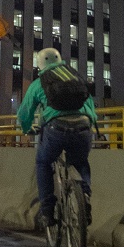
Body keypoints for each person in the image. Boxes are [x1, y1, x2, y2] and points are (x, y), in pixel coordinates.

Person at [16, 48, 97, 228]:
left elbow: (24, 112)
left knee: (43, 162)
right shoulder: (76, 77)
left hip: (56, 129)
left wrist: (26, 129)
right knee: (81, 162)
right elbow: (91, 106)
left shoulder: (39, 83)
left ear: (40, 65)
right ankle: (84, 194)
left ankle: (47, 210)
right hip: (83, 127)